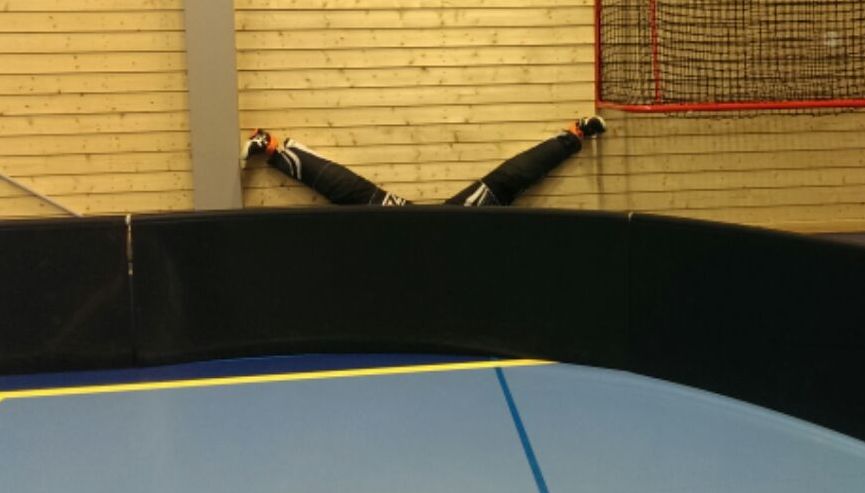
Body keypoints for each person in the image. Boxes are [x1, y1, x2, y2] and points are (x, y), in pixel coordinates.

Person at [241, 116, 606, 206]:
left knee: (504, 183)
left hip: (441, 237)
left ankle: (574, 134)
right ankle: (271, 146)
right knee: (503, 183)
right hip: (436, 230)